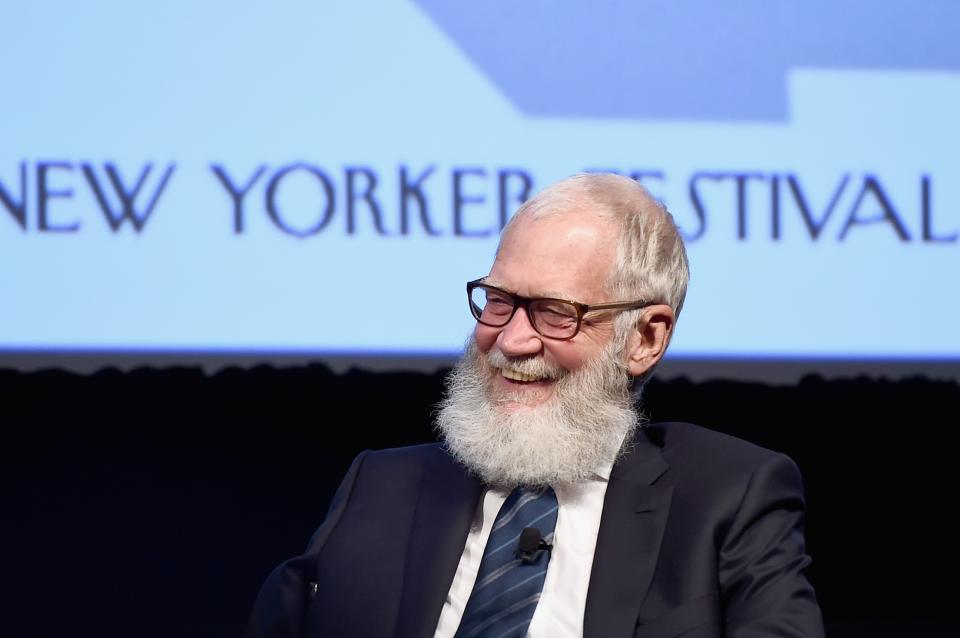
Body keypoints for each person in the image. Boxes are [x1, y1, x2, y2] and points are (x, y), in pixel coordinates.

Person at [246, 173, 824, 637]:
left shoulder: (728, 494)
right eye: (499, 301)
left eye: (555, 312)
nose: (512, 339)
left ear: (645, 339)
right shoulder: (382, 485)